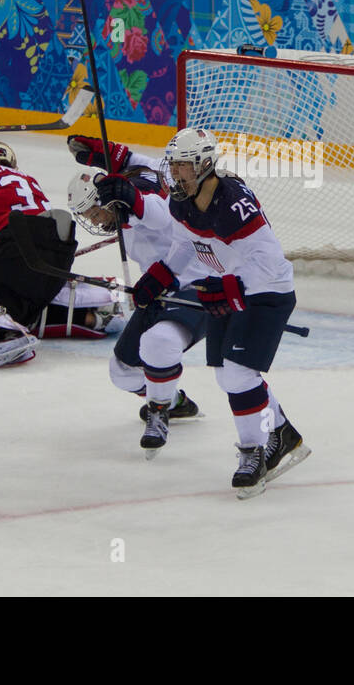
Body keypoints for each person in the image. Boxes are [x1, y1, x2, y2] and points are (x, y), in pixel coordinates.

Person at [131, 127, 310, 498]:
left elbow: (270, 263)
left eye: (182, 165)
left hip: (267, 292)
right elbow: (185, 245)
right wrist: (159, 277)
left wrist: (230, 288)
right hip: (235, 288)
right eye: (173, 164)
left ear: (205, 164)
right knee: (228, 378)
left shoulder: (234, 203)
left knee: (241, 374)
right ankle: (282, 433)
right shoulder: (182, 201)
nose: (174, 173)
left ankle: (254, 453)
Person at [66, 134, 206, 456]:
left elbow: (158, 213)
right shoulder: (129, 198)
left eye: (93, 213)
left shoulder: (146, 203)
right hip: (159, 288)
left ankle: (158, 413)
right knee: (122, 372)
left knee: (160, 342)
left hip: (197, 286)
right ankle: (175, 401)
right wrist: (116, 155)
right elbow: (148, 167)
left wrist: (135, 201)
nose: (93, 221)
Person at [0, 141, 121, 367]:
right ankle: (93, 305)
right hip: (59, 249)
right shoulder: (29, 181)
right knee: (28, 302)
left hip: (15, 246)